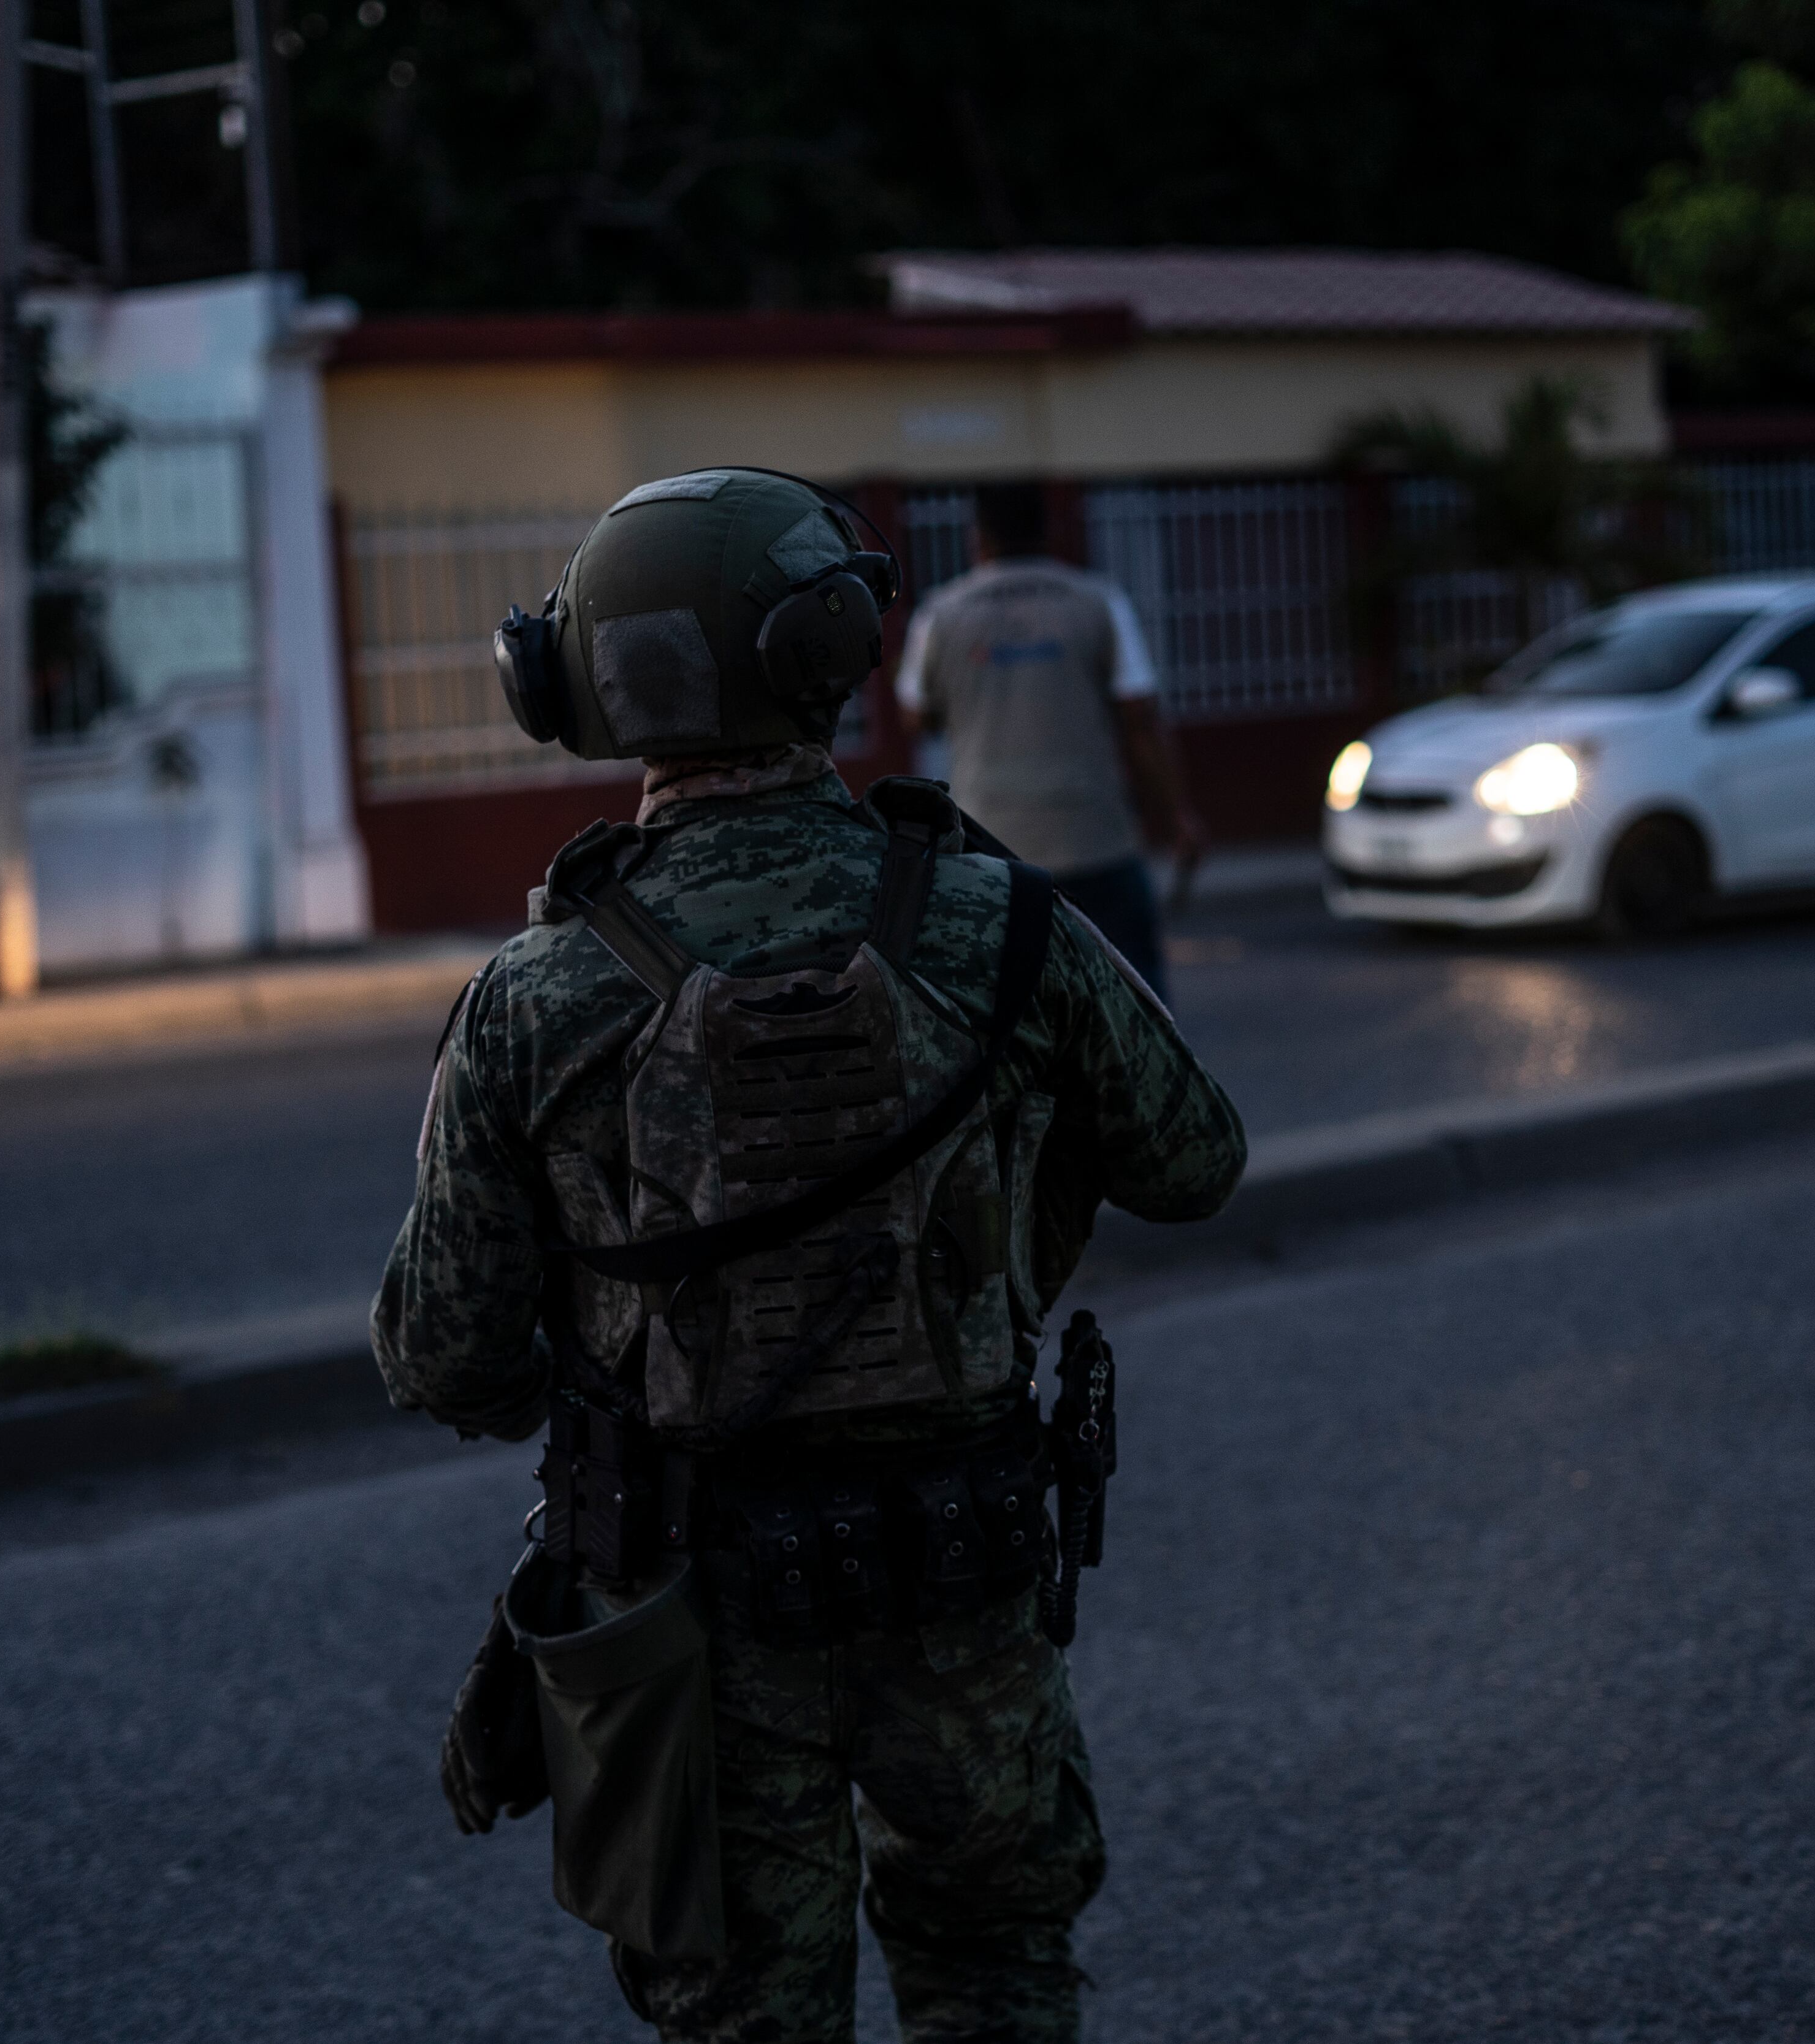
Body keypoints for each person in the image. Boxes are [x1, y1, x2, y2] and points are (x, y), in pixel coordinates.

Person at [372, 467, 1245, 2043]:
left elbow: (444, 1355)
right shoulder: (1000, 921)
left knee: (743, 2016)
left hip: (693, 1612)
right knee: (992, 1972)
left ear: (574, 687)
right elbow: (1195, 1162)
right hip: (964, 1585)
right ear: (832, 652)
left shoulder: (535, 993)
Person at [894, 481, 1207, 1000]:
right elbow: (1141, 722)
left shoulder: (940, 614)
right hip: (1095, 839)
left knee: (1001, 1001)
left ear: (980, 537)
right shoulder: (1098, 602)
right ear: (1048, 531)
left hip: (988, 849)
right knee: (1133, 994)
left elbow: (915, 717)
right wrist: (1178, 816)